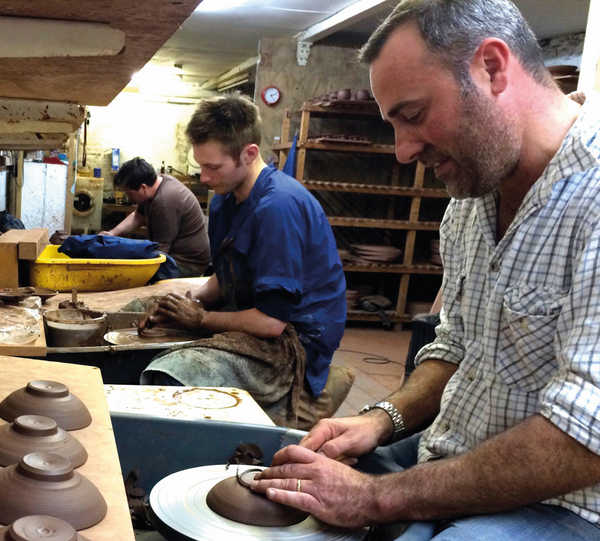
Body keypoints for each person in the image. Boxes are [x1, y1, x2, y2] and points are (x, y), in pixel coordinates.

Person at [249, 1, 600, 539]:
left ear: (492, 67)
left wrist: (378, 497)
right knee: (294, 474)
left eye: (412, 116)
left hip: (568, 498)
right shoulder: (470, 197)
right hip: (460, 447)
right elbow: (457, 346)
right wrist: (380, 420)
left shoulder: (591, 198)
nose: (404, 150)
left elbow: (584, 440)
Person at [139, 95, 348, 428]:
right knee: (144, 310)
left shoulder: (277, 208)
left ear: (249, 154)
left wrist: (201, 319)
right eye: (200, 166)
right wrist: (185, 303)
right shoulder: (226, 198)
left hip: (294, 339)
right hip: (255, 314)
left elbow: (271, 322)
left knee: (173, 371)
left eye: (213, 167)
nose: (204, 178)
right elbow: (230, 276)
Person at [101, 157, 210, 277]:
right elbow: (138, 217)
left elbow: (160, 251)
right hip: (170, 253)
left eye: (129, 194)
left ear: (143, 188)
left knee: (128, 275)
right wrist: (112, 233)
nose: (129, 198)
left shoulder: (165, 202)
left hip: (186, 264)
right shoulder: (157, 185)